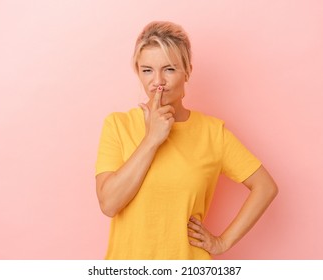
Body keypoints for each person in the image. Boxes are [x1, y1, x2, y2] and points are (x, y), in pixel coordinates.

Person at [95, 21, 278, 260]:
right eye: (147, 70)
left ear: (187, 71)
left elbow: (266, 187)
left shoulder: (213, 133)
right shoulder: (118, 125)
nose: (158, 81)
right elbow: (109, 204)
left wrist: (222, 242)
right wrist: (152, 139)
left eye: (169, 69)